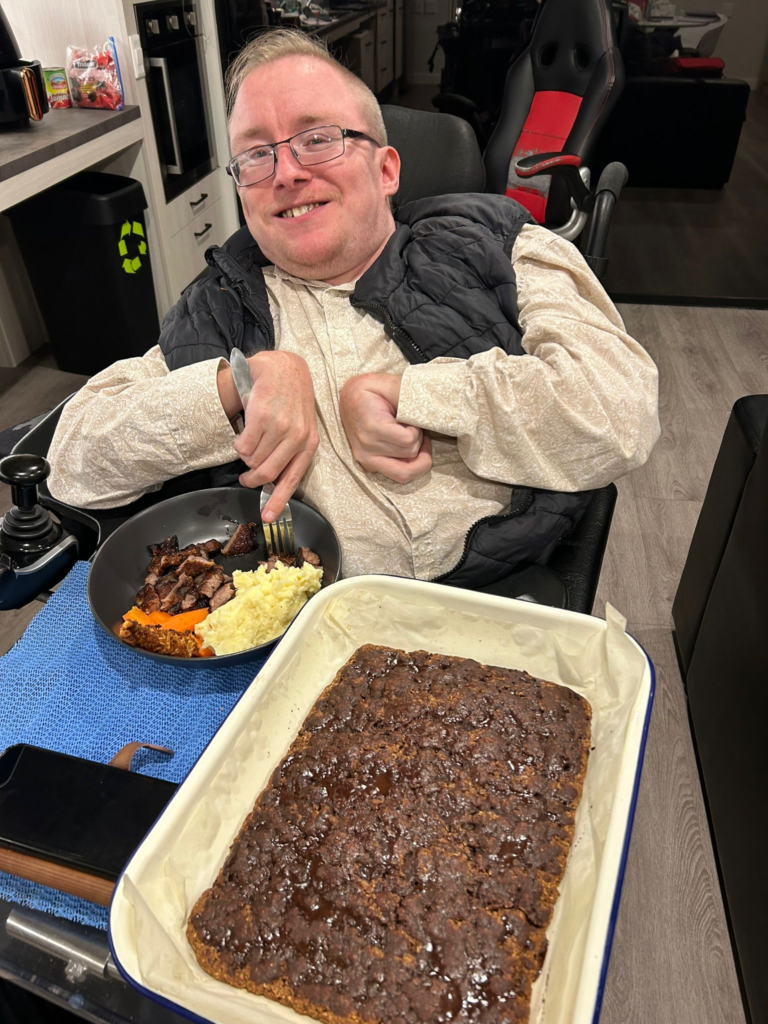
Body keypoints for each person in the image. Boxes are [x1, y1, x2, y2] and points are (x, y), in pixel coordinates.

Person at [47, 29, 659, 586]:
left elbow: (621, 411)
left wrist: (414, 394)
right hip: (285, 629)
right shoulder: (219, 305)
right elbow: (73, 461)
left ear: (386, 168)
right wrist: (239, 380)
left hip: (489, 605)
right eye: (256, 155)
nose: (285, 171)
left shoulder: (497, 245)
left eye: (318, 140)